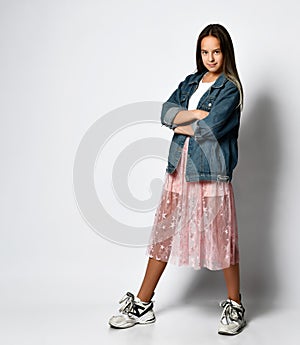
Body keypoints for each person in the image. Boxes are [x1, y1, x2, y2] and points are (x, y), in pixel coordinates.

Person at [108, 23, 246, 336]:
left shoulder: (229, 88)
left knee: (221, 237)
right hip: (178, 170)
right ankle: (143, 303)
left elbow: (210, 130)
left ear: (226, 52)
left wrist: (190, 121)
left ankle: (235, 304)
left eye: (216, 51)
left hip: (210, 173)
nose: (210, 57)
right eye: (205, 51)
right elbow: (166, 114)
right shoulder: (191, 82)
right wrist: (193, 118)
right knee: (164, 234)